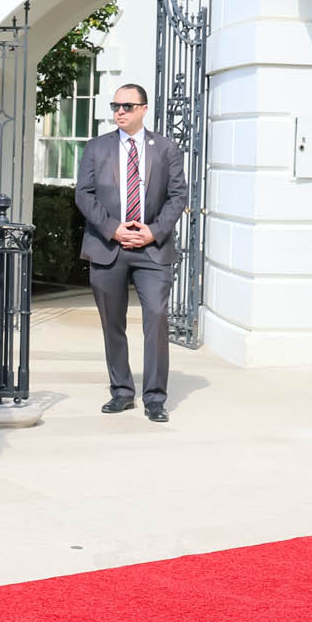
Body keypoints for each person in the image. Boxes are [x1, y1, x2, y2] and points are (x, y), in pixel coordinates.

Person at [72, 83, 190, 422]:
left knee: (156, 318)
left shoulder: (166, 149)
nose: (119, 112)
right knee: (113, 323)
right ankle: (122, 391)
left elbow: (177, 196)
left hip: (152, 249)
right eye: (115, 106)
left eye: (126, 106)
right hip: (108, 246)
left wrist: (153, 231)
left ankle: (155, 397)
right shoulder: (97, 148)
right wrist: (113, 228)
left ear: (143, 109)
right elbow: (84, 194)